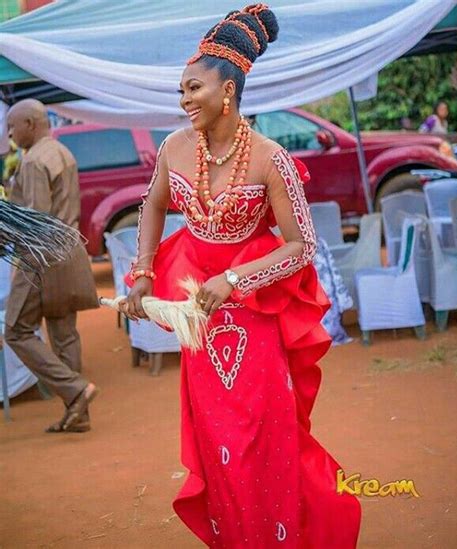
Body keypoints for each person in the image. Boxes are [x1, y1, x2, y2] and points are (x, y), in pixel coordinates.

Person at [122, 4, 361, 547]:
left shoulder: (271, 159)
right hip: (195, 314)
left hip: (255, 310)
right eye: (180, 91)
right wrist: (142, 274)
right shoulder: (174, 148)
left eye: (193, 89)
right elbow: (151, 206)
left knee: (263, 431)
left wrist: (236, 279)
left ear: (227, 92)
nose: (184, 100)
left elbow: (303, 245)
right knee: (217, 437)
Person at [4, 99, 99, 433]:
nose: (10, 134)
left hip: (41, 257)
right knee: (63, 333)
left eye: (12, 127)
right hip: (70, 252)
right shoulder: (62, 153)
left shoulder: (32, 162)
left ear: (30, 123)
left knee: (15, 330)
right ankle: (79, 414)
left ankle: (75, 389)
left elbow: (34, 222)